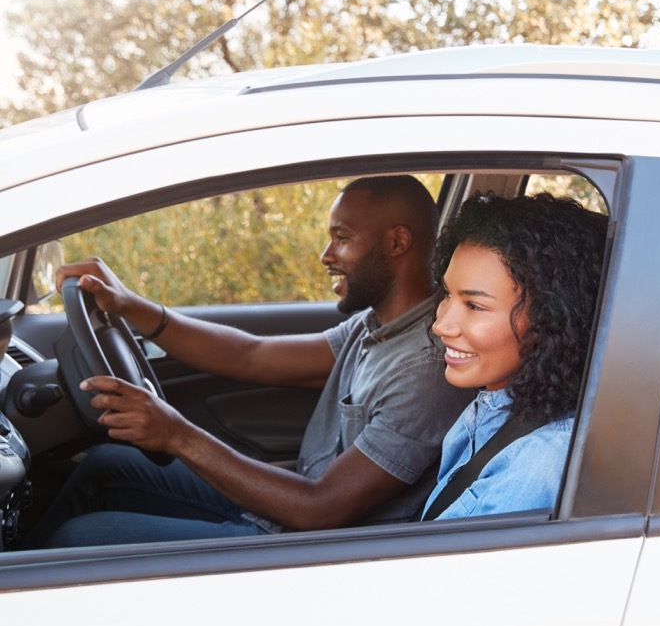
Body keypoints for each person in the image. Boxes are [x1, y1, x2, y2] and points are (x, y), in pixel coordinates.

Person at [23, 175, 474, 548]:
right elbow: (251, 355)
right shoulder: (374, 325)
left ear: (397, 242)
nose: (326, 256)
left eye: (342, 238)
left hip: (315, 550)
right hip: (288, 512)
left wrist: (175, 434)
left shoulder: (426, 368)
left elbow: (320, 509)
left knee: (79, 537)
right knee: (106, 464)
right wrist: (130, 305)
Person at [420, 192, 607, 520]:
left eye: (474, 306)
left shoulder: (538, 464)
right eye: (447, 294)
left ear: (550, 319)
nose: (441, 324)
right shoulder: (493, 410)